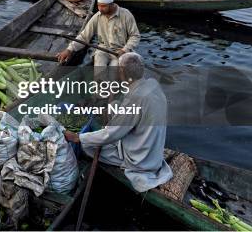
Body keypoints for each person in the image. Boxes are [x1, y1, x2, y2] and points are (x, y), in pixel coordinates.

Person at [64, 52, 173, 192]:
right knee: (114, 106)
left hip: (140, 160)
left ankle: (124, 162)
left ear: (121, 72)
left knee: (88, 147)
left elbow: (111, 134)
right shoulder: (153, 85)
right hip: (152, 151)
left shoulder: (134, 99)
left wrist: (77, 137)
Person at [56, 0, 140, 67]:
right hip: (103, 49)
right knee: (99, 61)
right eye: (98, 5)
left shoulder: (126, 14)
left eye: (103, 6)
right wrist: (69, 50)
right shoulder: (98, 16)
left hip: (120, 51)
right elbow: (84, 36)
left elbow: (135, 36)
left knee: (114, 68)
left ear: (111, 5)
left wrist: (124, 50)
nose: (100, 8)